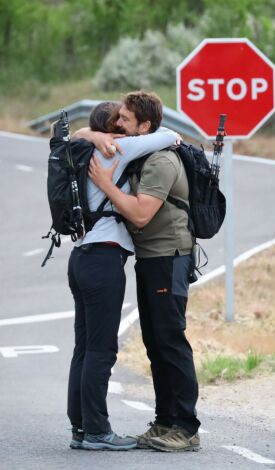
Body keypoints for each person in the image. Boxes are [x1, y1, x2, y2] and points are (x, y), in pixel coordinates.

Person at [86, 91, 201, 452]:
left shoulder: (161, 162)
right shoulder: (146, 153)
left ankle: (186, 427)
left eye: (124, 119)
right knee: (155, 342)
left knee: (170, 341)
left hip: (169, 257)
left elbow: (139, 214)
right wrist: (92, 135)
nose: (117, 124)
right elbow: (76, 135)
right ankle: (164, 421)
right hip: (152, 259)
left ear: (145, 125)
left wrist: (105, 184)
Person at [67, 100, 179, 451]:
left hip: (80, 256)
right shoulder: (116, 148)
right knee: (101, 350)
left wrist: (88, 132)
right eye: (119, 120)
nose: (122, 125)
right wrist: (105, 135)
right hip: (103, 259)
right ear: (111, 128)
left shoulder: (79, 150)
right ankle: (99, 431)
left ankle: (81, 429)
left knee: (84, 349)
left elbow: (72, 136)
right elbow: (171, 135)